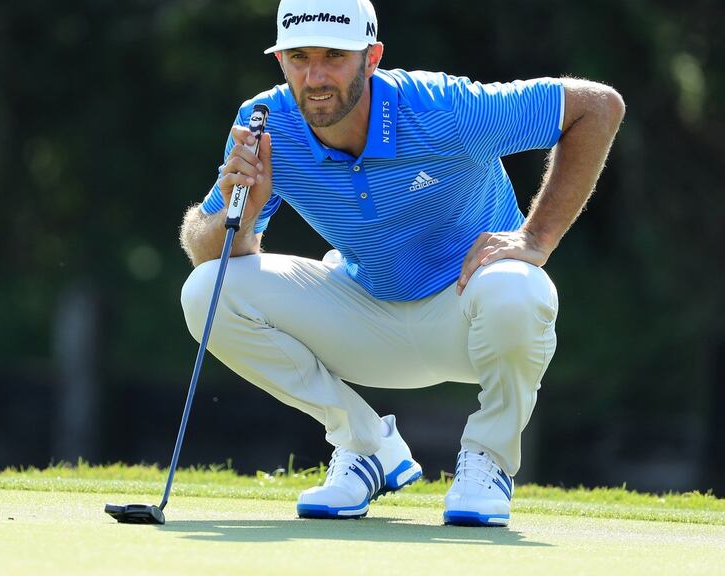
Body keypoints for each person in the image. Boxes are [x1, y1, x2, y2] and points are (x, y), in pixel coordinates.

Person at [178, 0, 624, 527]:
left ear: (372, 57)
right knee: (207, 288)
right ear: (281, 62)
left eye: (334, 57)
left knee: (518, 288)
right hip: (365, 314)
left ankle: (489, 460)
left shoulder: (443, 107)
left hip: (469, 313)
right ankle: (365, 445)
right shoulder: (265, 124)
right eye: (299, 57)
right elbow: (206, 244)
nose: (315, 76)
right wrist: (245, 220)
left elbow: (598, 107)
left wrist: (537, 236)